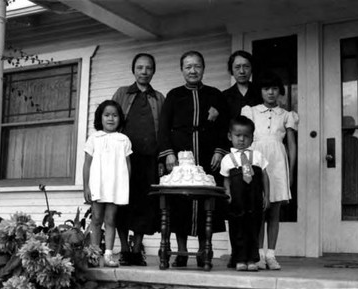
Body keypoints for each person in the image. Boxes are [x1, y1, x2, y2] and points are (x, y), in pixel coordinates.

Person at [158, 50, 229, 268]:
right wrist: (168, 153)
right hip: (181, 157)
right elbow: (163, 127)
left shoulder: (215, 94)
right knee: (181, 203)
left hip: (208, 156)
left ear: (203, 68)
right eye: (188, 66)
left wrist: (219, 150)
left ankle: (202, 251)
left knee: (205, 203)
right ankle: (181, 251)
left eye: (197, 66)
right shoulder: (174, 95)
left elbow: (225, 125)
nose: (193, 70)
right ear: (182, 70)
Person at [241, 71, 297, 270]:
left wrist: (290, 172)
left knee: (274, 211)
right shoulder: (251, 111)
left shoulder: (287, 115)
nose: (271, 93)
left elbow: (291, 146)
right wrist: (246, 168)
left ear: (280, 91)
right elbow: (244, 142)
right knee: (259, 210)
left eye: (274, 89)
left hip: (278, 163)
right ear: (260, 91)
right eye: (266, 89)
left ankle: (271, 254)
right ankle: (257, 255)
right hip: (257, 160)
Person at [113, 53, 165, 266]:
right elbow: (110, 120)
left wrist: (162, 157)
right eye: (140, 67)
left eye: (148, 68)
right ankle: (125, 248)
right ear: (133, 70)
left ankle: (137, 249)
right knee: (123, 202)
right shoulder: (122, 93)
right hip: (125, 159)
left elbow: (163, 130)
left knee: (145, 203)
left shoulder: (159, 97)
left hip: (149, 159)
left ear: (154, 71)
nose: (144, 72)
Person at [83, 100, 132, 267]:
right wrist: (86, 186)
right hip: (98, 184)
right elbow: (87, 164)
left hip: (116, 186)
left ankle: (108, 255)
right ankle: (94, 254)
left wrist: (125, 187)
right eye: (107, 115)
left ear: (120, 118)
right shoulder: (94, 138)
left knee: (111, 219)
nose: (111, 119)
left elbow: (128, 166)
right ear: (100, 118)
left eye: (115, 115)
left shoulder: (123, 139)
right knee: (96, 218)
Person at [220, 116, 270, 271]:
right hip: (237, 200)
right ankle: (239, 259)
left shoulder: (257, 156)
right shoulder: (228, 159)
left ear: (252, 138)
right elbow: (226, 180)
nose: (242, 140)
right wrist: (228, 195)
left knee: (254, 227)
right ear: (230, 136)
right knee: (237, 227)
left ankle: (252, 259)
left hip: (254, 198)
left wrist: (266, 196)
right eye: (237, 136)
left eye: (246, 136)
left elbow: (264, 176)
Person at [223, 50, 263, 120]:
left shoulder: (261, 92)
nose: (242, 71)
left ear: (252, 68)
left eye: (246, 66)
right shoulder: (224, 96)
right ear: (231, 70)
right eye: (237, 67)